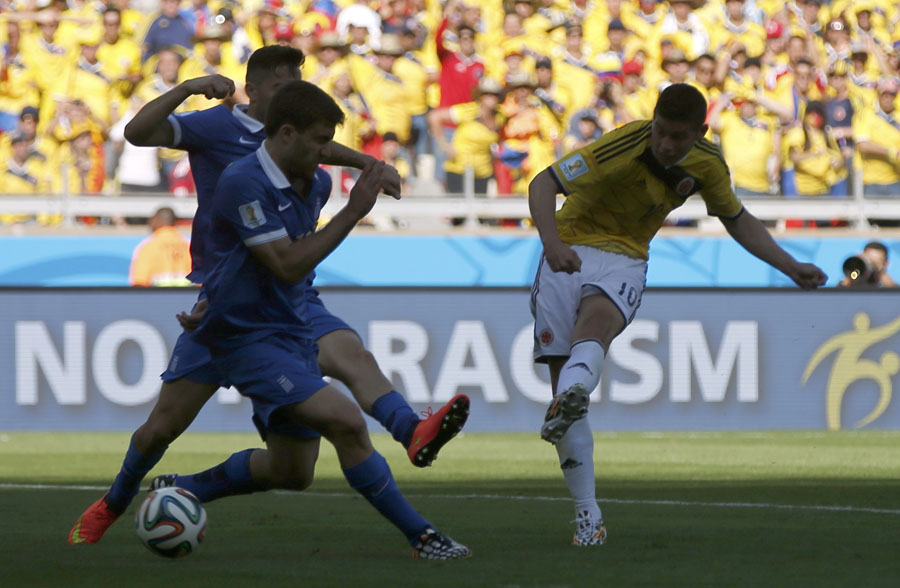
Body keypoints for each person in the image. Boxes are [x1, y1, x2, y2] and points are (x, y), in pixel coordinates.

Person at [68, 45, 469, 546]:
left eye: (297, 83)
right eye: (282, 85)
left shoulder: (311, 173)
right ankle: (114, 501)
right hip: (227, 309)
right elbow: (138, 133)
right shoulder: (222, 133)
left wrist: (368, 163)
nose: (292, 93)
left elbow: (318, 148)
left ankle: (410, 429)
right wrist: (189, 88)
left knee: (303, 453)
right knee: (159, 430)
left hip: (285, 303)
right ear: (253, 90)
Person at [527, 83, 827, 546]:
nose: (667, 144)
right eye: (662, 132)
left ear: (700, 132)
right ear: (654, 121)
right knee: (566, 390)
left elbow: (737, 218)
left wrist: (790, 266)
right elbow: (543, 182)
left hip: (625, 257)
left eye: (678, 137)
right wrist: (552, 243)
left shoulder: (707, 164)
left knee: (597, 327)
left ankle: (572, 402)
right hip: (567, 248)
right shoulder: (625, 142)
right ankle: (588, 510)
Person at [128, 207, 192, 287]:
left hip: (156, 297)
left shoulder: (147, 247)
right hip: (187, 297)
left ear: (155, 221)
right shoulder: (189, 246)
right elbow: (201, 280)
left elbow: (139, 282)